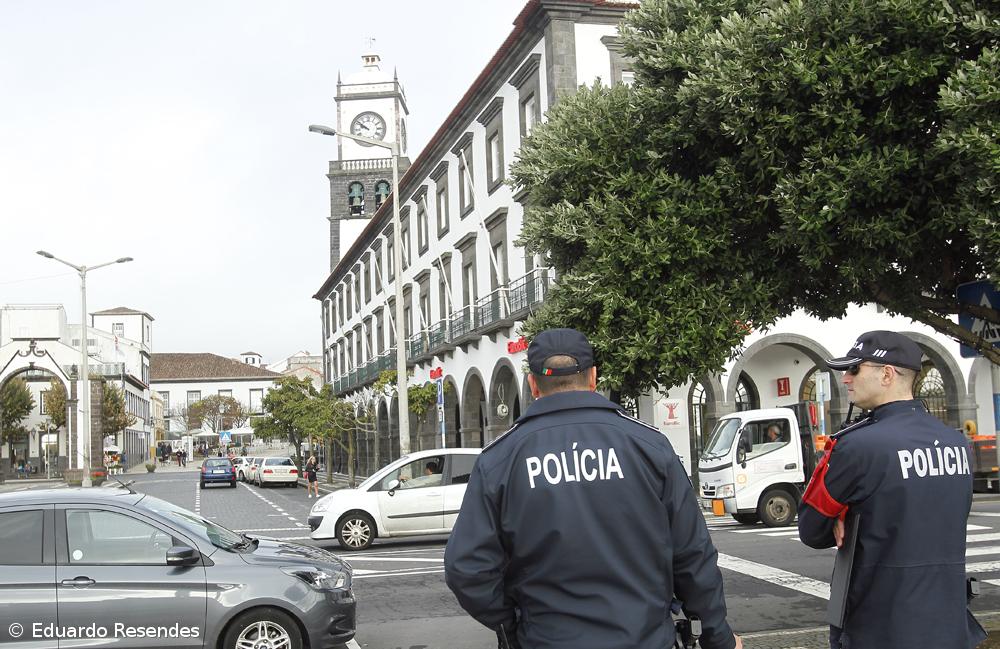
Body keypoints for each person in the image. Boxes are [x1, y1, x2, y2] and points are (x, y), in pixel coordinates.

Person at [444, 328, 741, 649]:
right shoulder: (648, 446)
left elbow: (466, 570)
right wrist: (718, 638)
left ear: (533, 385)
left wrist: (514, 625)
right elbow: (693, 556)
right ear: (594, 377)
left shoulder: (500, 458)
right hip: (645, 640)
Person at [798, 330, 986, 648]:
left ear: (887, 374)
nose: (845, 378)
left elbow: (812, 529)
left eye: (855, 368)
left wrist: (841, 514)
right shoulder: (957, 443)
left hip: (879, 627)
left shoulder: (857, 446)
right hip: (948, 626)